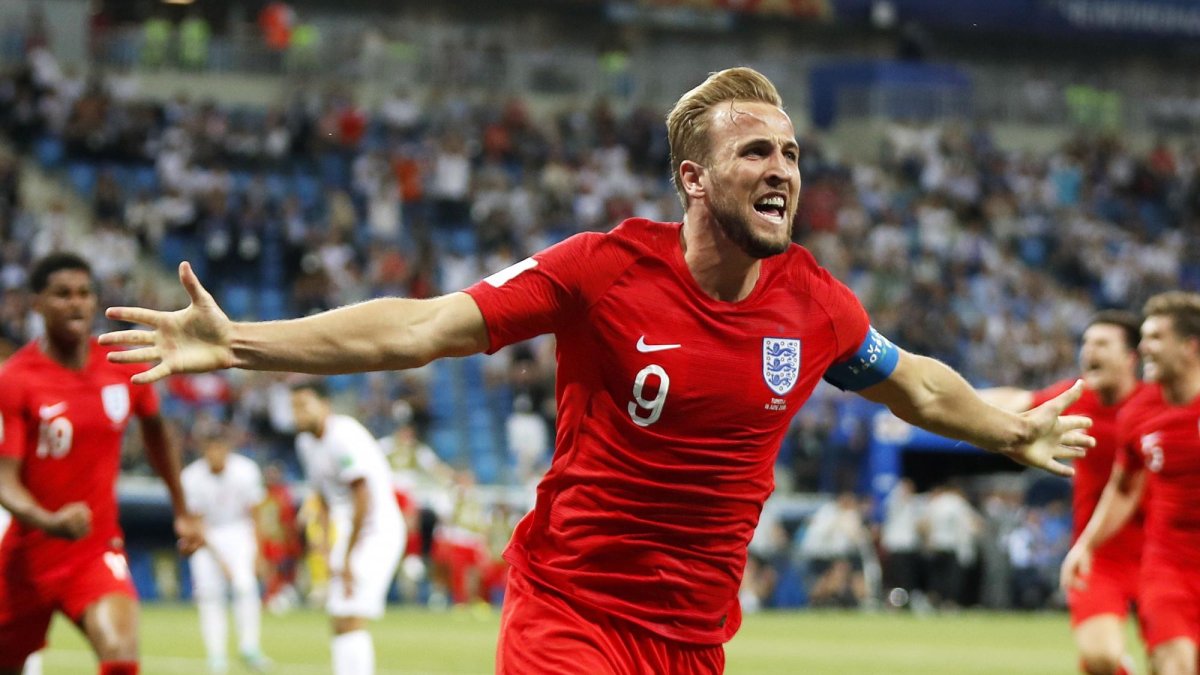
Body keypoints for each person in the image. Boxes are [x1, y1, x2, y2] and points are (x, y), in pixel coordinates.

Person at [101, 67, 1092, 673]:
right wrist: (239, 342)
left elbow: (914, 382)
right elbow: (423, 329)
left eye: (791, 151)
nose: (783, 167)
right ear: (694, 178)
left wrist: (1013, 430)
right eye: (755, 151)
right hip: (571, 611)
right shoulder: (604, 270)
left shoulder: (817, 303)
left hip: (694, 640)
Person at [0, 252, 201, 675]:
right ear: (36, 303)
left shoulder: (120, 364)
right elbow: (5, 480)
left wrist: (182, 509)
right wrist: (48, 520)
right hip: (27, 558)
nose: (75, 303)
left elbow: (156, 431)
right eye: (61, 294)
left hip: (95, 549)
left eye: (84, 293)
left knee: (120, 654)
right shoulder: (16, 379)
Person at [983, 310, 1145, 675]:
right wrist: (949, 398)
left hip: (1161, 550)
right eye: (1086, 342)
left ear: (1130, 358)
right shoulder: (1075, 397)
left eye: (1102, 343)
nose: (1089, 351)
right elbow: (1020, 400)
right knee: (1102, 656)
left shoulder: (1157, 403)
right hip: (1098, 551)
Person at [1063, 292, 1200, 675]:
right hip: (1168, 564)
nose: (1144, 348)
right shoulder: (1139, 413)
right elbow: (1123, 488)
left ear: (1189, 347)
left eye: (1156, 338)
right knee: (1174, 666)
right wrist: (1085, 546)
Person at [291, 382, 403, 675]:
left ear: (325, 405)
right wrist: (328, 550)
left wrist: (349, 557)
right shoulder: (305, 443)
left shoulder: (344, 436)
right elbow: (324, 499)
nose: (297, 414)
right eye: (294, 407)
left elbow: (363, 498)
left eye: (304, 405)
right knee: (338, 616)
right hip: (351, 529)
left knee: (351, 616)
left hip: (378, 529)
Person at [180, 424, 272, 673]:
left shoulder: (246, 470)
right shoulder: (191, 477)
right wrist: (221, 560)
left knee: (245, 587)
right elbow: (197, 522)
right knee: (209, 596)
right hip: (207, 536)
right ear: (203, 451)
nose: (215, 454)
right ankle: (216, 656)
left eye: (219, 448)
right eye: (209, 449)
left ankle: (249, 647)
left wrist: (259, 552)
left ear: (227, 449)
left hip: (239, 531)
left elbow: (255, 514)